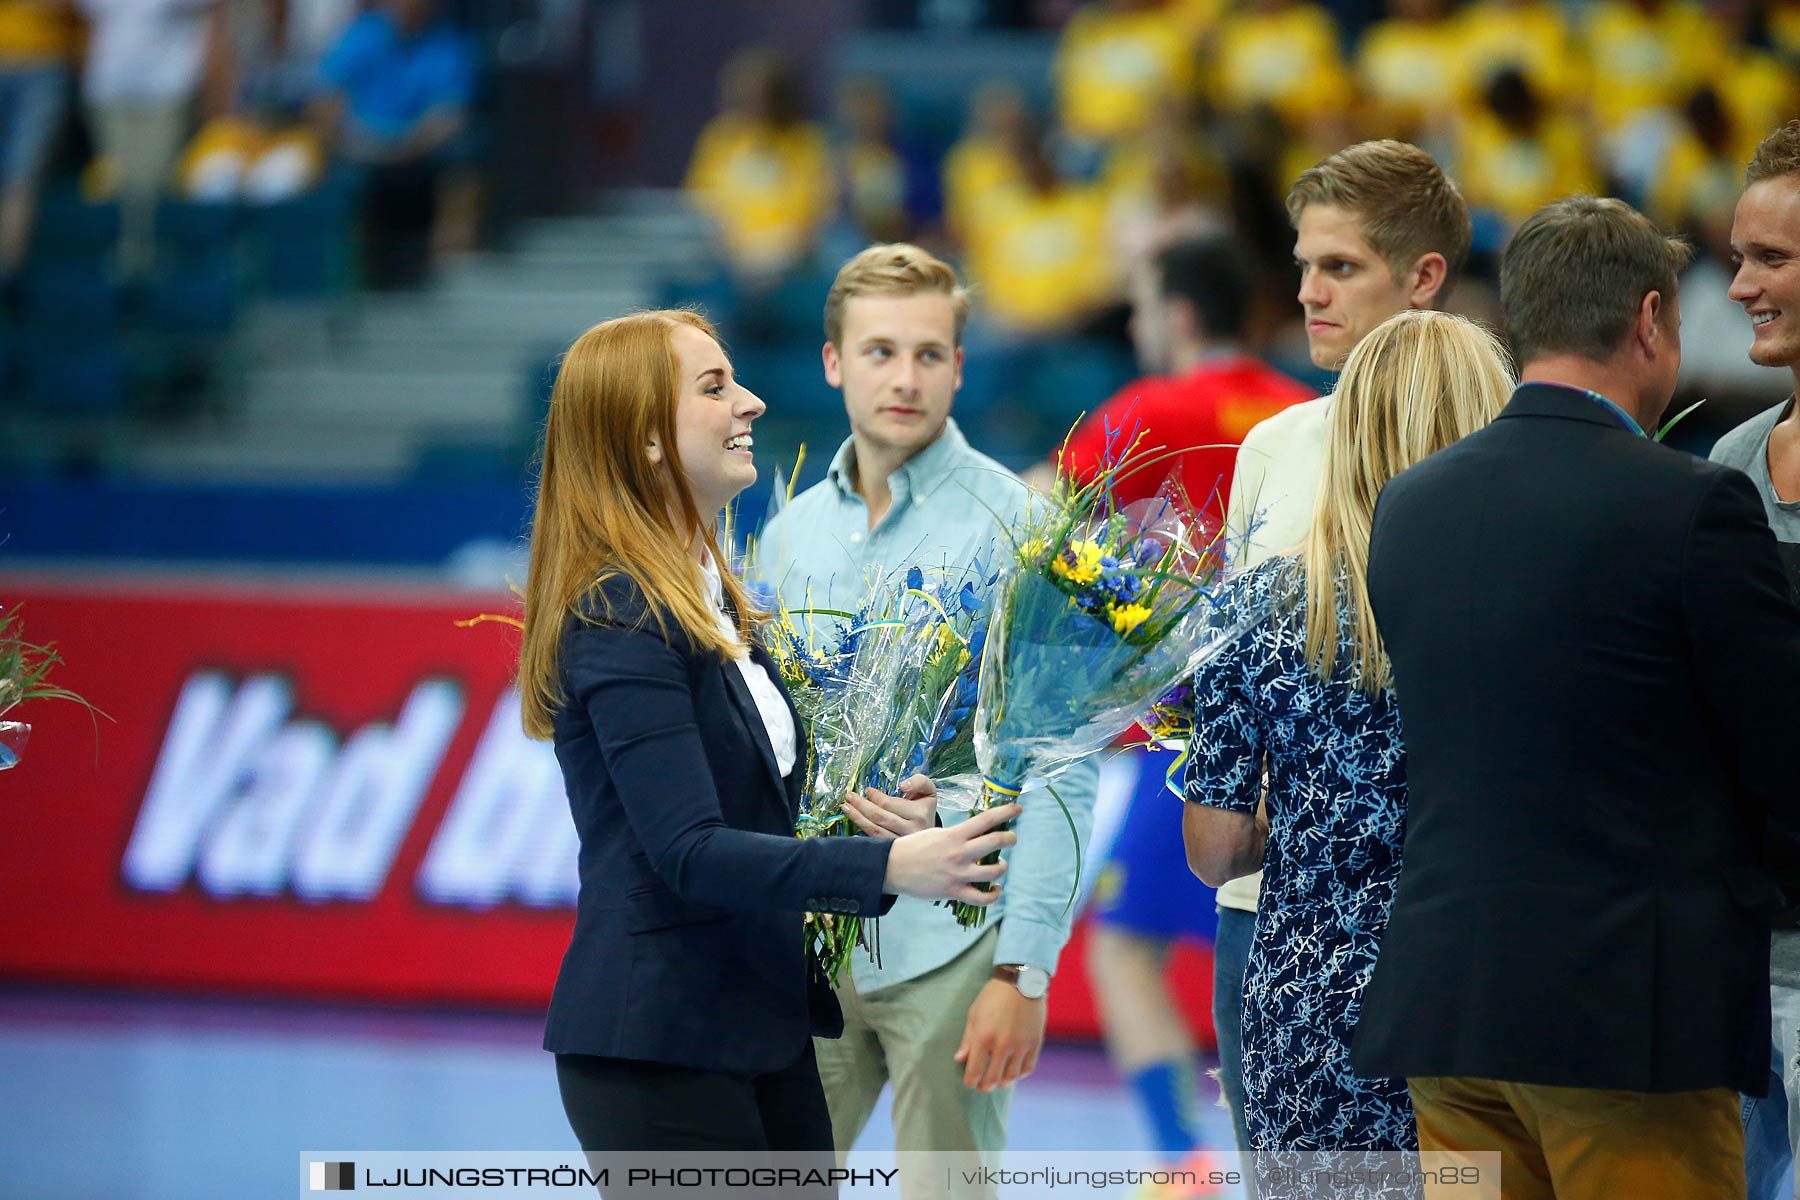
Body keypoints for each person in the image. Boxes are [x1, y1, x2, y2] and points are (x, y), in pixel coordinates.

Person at [1351, 195, 1800, 1200]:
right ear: (1649, 320)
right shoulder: (1690, 503)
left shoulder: (1409, 507)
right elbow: (1784, 759)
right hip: (1623, 1027)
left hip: (1447, 1019)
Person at [522, 308, 1024, 1157]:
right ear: (645, 439)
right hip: (660, 1043)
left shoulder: (713, 597)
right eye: (715, 387)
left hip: (762, 1024)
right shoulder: (620, 612)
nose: (751, 402)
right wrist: (887, 867)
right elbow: (689, 851)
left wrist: (884, 823)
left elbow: (751, 814)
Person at [758, 245, 1098, 1197]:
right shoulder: (787, 536)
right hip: (808, 947)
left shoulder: (1021, 524)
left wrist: (1022, 973)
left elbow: (1063, 766)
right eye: (878, 352)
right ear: (832, 362)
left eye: (929, 354)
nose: (904, 378)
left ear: (959, 363)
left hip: (951, 950)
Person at [1183, 310, 1512, 1193]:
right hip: (1491, 986)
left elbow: (1215, 855)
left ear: (1349, 427)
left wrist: (1302, 821)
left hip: (1311, 997)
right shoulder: (1531, 601)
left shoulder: (1256, 606)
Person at [1217, 138, 1469, 1161]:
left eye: (1340, 268)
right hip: (1274, 912)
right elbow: (1230, 674)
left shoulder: (1494, 441)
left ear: (1423, 280)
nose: (1309, 292)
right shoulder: (1270, 447)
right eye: (1303, 263)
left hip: (1458, 911)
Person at [1041, 234, 1312, 1176]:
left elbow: (1040, 518)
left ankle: (1180, 1168)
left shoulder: (1155, 405)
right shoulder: (1307, 410)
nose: (1135, 327)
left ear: (1181, 317)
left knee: (1123, 950)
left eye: (1143, 309)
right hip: (1314, 733)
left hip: (1200, 732)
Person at [1714, 119, 1800, 1200]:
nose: (1738, 287)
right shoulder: (1732, 468)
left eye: (1771, 258)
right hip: (1736, 966)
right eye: (1738, 256)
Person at [313, 0, 478, 286]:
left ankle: (450, 272)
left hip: (419, 149)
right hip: (358, 147)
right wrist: (356, 142)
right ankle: (353, 277)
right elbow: (326, 101)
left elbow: (451, 114)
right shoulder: (361, 35)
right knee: (334, 171)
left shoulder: (451, 42)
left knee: (465, 156)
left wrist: (408, 145)